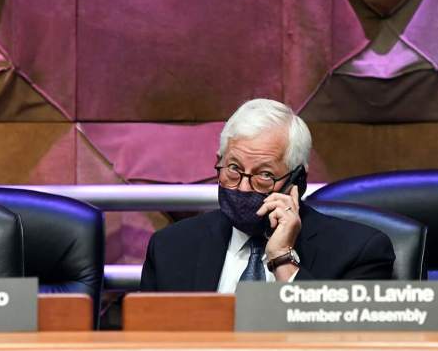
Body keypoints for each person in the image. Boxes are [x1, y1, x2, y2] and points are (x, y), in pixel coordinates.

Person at [140, 99, 395, 291]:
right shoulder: (170, 248)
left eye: (264, 175)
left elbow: (343, 349)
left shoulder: (358, 252)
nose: (242, 188)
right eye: (233, 169)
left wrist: (283, 257)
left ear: (298, 181)